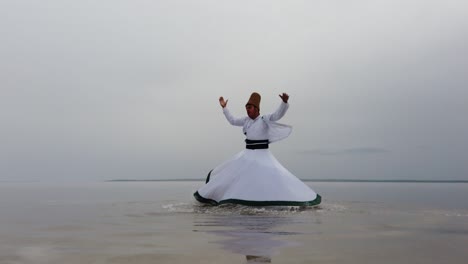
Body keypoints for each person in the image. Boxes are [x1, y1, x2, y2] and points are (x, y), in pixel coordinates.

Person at [193, 92, 321, 206]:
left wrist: (284, 103)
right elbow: (232, 121)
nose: (248, 111)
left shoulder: (264, 119)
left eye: (250, 108)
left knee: (271, 177)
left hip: (263, 155)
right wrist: (224, 108)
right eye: (246, 108)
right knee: (233, 176)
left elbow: (277, 115)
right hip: (247, 155)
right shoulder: (246, 121)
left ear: (256, 108)